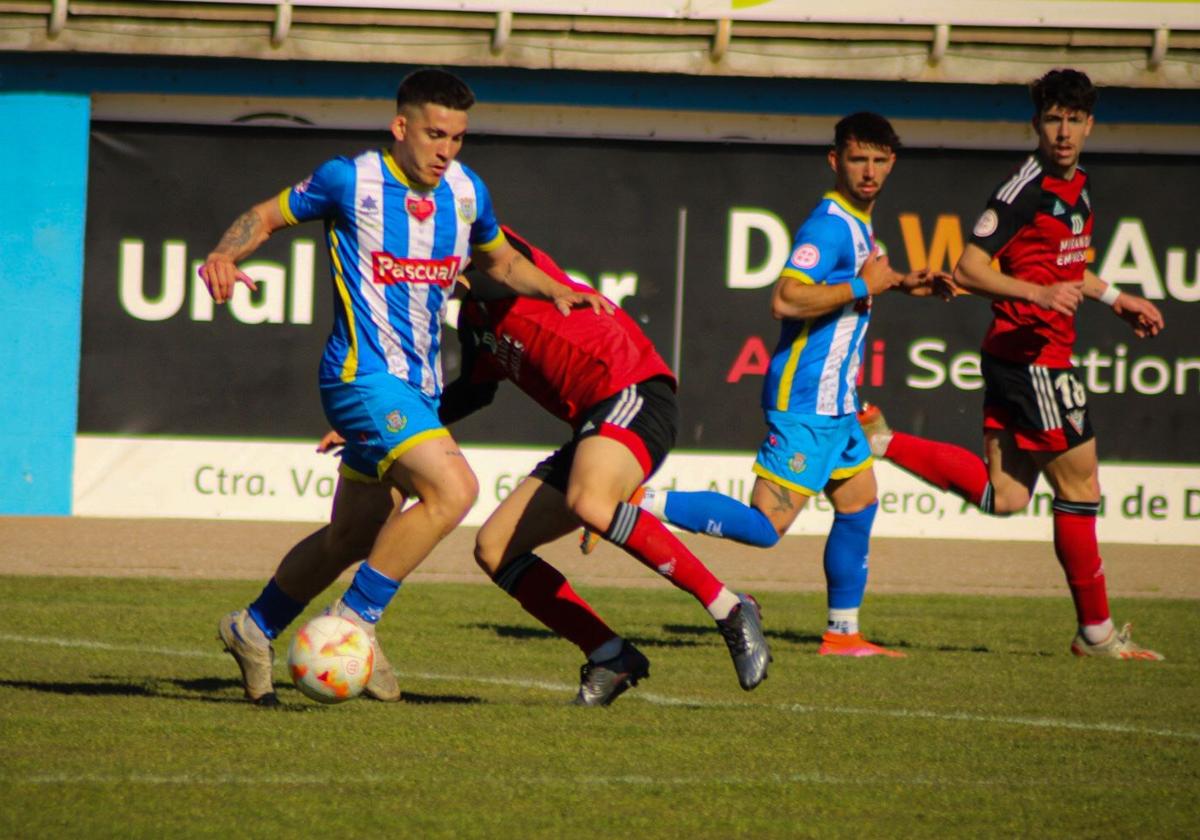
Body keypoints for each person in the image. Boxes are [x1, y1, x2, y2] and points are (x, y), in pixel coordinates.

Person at [204, 68, 607, 706]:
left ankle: (252, 627)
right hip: (360, 377)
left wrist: (557, 288)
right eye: (435, 134)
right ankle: (353, 621)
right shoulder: (350, 179)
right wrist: (227, 254)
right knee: (456, 490)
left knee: (353, 538)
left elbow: (499, 261)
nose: (446, 150)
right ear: (401, 128)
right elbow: (266, 215)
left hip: (416, 388)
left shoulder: (467, 192)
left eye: (458, 137)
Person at [586, 113, 950, 658]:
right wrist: (863, 282)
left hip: (838, 405)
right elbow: (785, 298)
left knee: (858, 502)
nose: (869, 170)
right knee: (763, 528)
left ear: (892, 162)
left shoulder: (857, 223)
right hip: (806, 404)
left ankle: (843, 634)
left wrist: (897, 282)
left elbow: (850, 292)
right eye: (857, 159)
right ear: (835, 161)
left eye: (878, 160)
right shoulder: (828, 227)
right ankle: (634, 498)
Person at [858, 69, 1165, 660]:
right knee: (1082, 488)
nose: (1064, 132)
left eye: (1075, 120)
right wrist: (1036, 295)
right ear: (1037, 124)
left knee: (1007, 495)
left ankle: (885, 442)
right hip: (1035, 359)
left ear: (1090, 124)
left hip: (1020, 356)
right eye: (1054, 119)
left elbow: (1065, 267)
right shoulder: (1025, 187)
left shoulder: (1079, 185)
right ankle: (1096, 634)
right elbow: (972, 267)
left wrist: (1116, 299)